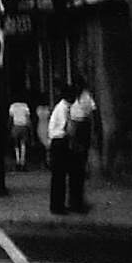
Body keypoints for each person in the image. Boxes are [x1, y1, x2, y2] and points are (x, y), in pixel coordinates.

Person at [47, 83, 77, 215]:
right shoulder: (64, 109)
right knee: (59, 176)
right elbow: (68, 128)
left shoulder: (62, 107)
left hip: (58, 141)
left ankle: (58, 204)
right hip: (60, 141)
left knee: (59, 175)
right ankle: (57, 206)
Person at [67, 84, 97, 213]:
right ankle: (77, 202)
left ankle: (75, 201)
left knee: (76, 171)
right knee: (78, 170)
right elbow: (91, 112)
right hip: (80, 127)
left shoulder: (73, 101)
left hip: (77, 128)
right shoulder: (85, 97)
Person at [8, 98, 32, 170]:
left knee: (16, 145)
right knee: (23, 144)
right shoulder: (25, 105)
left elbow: (11, 118)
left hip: (15, 126)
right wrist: (30, 128)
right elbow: (28, 118)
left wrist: (9, 127)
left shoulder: (13, 106)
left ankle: (17, 161)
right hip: (23, 126)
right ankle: (23, 161)